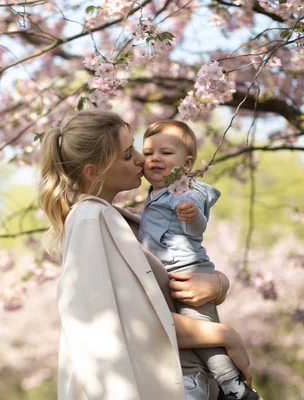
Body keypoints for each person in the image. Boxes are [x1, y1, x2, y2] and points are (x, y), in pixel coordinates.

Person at [37, 109, 251, 400]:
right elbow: (130, 322)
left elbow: (168, 285)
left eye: (135, 146)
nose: (141, 159)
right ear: (93, 171)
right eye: (127, 155)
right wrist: (223, 335)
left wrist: (218, 283)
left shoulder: (123, 220)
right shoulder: (89, 220)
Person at [138, 120, 259, 400]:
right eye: (147, 153)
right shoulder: (153, 195)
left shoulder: (185, 191)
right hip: (173, 272)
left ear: (188, 163)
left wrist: (193, 216)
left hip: (188, 271)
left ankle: (234, 387)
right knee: (199, 335)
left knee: (206, 336)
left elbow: (197, 228)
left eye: (166, 153)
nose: (154, 159)